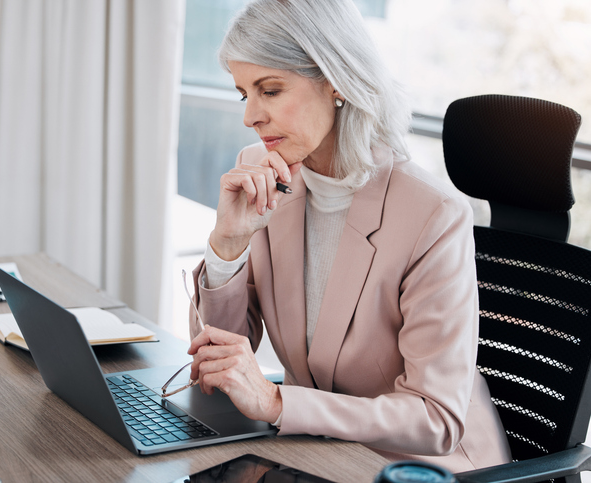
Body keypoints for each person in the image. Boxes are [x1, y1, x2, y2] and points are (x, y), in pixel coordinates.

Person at [184, 0, 511, 473]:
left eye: (270, 90)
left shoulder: (433, 214)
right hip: (317, 454)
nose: (250, 115)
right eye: (243, 94)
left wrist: (278, 402)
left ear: (334, 79)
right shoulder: (266, 176)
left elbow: (435, 418)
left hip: (418, 467)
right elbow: (215, 371)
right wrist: (227, 245)